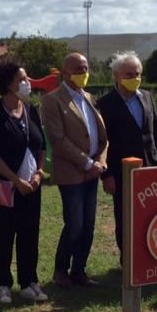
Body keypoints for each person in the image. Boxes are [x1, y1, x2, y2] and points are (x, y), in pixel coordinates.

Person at [0, 62, 48, 303]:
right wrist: (15, 180)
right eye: (22, 79)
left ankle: (29, 282)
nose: (28, 82)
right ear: (8, 84)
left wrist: (39, 173)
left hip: (32, 185)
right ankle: (3, 284)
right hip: (5, 187)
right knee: (5, 235)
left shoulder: (30, 110)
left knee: (30, 234)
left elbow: (41, 145)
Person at [42, 52, 108, 288]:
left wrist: (99, 162)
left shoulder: (89, 97)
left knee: (89, 225)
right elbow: (58, 140)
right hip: (72, 174)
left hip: (93, 172)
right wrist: (87, 164)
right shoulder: (52, 100)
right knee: (75, 224)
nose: (84, 73)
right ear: (65, 72)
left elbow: (103, 138)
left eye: (86, 68)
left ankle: (79, 270)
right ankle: (61, 270)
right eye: (79, 69)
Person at [97, 51, 157, 254]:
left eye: (137, 74)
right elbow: (102, 142)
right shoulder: (104, 104)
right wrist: (106, 174)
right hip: (121, 173)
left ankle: (149, 254)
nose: (134, 79)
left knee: (152, 214)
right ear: (116, 76)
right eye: (128, 75)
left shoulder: (147, 97)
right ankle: (127, 259)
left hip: (150, 169)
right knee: (125, 217)